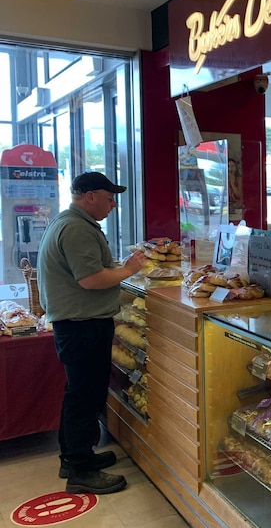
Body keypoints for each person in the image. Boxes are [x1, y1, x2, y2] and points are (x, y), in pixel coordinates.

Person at [37, 172, 148, 494]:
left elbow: (89, 270)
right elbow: (89, 279)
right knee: (85, 396)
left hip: (78, 323)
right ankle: (80, 470)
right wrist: (127, 270)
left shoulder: (71, 223)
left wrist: (120, 266)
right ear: (90, 196)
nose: (113, 205)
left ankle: (73, 458)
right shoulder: (75, 229)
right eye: (110, 198)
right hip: (81, 325)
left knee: (80, 393)